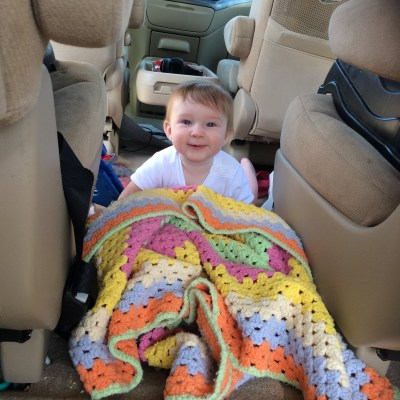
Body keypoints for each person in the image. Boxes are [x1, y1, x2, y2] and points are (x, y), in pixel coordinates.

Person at [119, 81, 258, 203]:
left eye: (210, 124)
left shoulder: (232, 171)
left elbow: (247, 210)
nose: (197, 132)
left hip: (237, 184)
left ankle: (247, 166)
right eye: (186, 122)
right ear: (169, 130)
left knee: (252, 194)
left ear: (226, 135)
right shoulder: (161, 162)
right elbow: (128, 197)